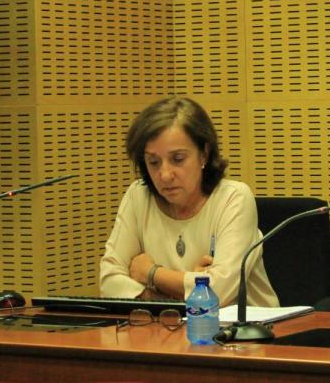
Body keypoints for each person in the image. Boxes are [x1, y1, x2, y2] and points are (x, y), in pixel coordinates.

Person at [100, 96, 279, 307]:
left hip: (247, 334)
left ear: (204, 154)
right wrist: (176, 296)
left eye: (178, 159)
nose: (165, 175)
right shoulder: (138, 196)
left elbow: (218, 293)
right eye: (154, 162)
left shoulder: (234, 198)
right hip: (164, 331)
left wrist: (152, 274)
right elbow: (109, 281)